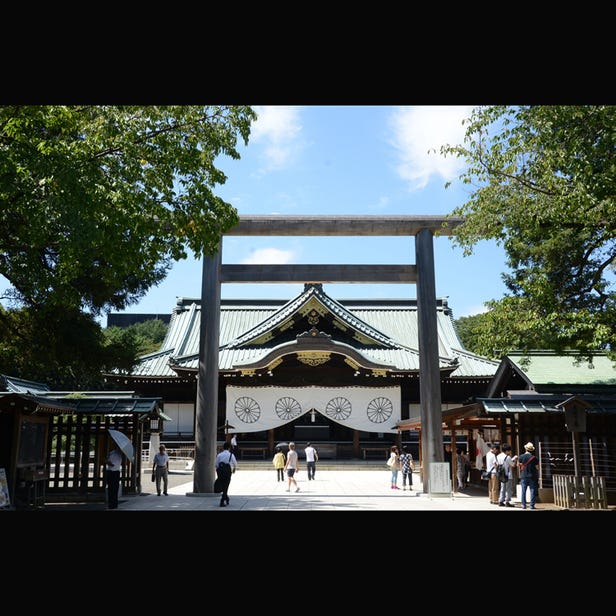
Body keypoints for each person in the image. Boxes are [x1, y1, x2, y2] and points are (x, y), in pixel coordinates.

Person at [215, 441, 238, 507]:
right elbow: (235, 464)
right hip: (227, 472)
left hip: (220, 472)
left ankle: (226, 498)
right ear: (229, 448)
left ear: (223, 448)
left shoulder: (219, 455)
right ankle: (222, 500)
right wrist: (234, 469)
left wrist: (218, 470)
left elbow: (216, 465)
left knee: (222, 485)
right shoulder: (231, 455)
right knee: (226, 485)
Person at [518, 442, 540, 510]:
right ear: (532, 450)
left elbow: (518, 464)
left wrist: (523, 465)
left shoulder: (521, 456)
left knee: (523, 491)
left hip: (524, 476)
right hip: (532, 476)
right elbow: (537, 468)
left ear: (526, 449)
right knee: (532, 491)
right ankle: (532, 505)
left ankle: (523, 505)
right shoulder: (534, 458)